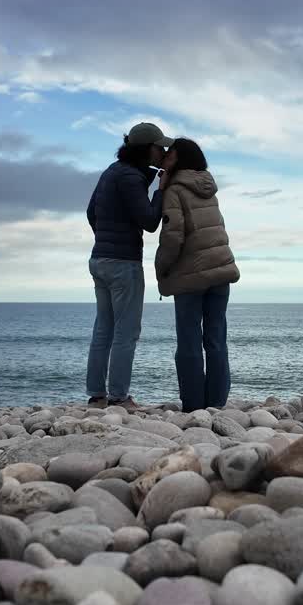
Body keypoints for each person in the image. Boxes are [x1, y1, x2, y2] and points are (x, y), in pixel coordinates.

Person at [84, 122, 173, 411]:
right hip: (123, 264)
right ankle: (120, 398)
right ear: (147, 149)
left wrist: (107, 238)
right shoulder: (131, 178)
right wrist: (161, 189)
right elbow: (149, 222)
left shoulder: (113, 171)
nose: (164, 152)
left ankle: (97, 397)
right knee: (126, 333)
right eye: (160, 147)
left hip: (99, 260)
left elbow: (90, 212)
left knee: (103, 330)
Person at [154, 138, 240, 412]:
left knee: (189, 341)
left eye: (170, 153)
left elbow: (172, 235)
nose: (165, 156)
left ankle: (193, 405)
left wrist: (161, 269)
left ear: (179, 159)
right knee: (216, 339)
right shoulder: (209, 188)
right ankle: (215, 404)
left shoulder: (175, 190)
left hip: (190, 275)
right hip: (221, 271)